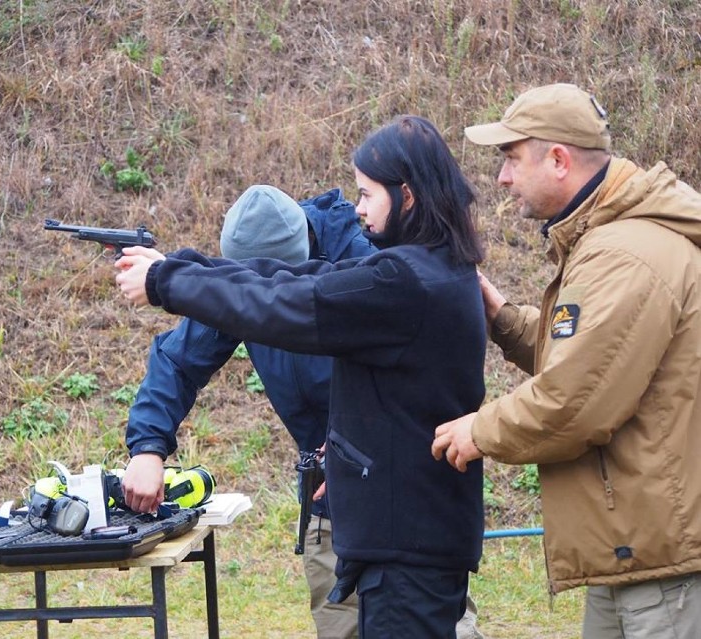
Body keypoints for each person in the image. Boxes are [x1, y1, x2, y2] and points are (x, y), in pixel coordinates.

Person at [116, 115, 487, 638]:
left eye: (368, 193)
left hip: (403, 529)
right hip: (379, 520)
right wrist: (173, 271)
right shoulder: (420, 269)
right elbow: (286, 281)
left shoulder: (399, 280)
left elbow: (287, 299)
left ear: (407, 196)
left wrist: (165, 279)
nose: (358, 207)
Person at [431, 83, 701, 638]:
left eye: (510, 158)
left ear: (558, 160)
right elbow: (591, 354)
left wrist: (478, 430)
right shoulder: (608, 240)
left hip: (664, 557)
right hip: (632, 546)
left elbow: (575, 402)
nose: (502, 178)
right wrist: (504, 318)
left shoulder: (625, 256)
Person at [122, 183, 375, 639]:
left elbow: (410, 379)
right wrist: (147, 447)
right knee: (342, 626)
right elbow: (178, 360)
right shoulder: (244, 283)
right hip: (328, 499)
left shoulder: (369, 267)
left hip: (395, 486)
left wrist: (353, 444)